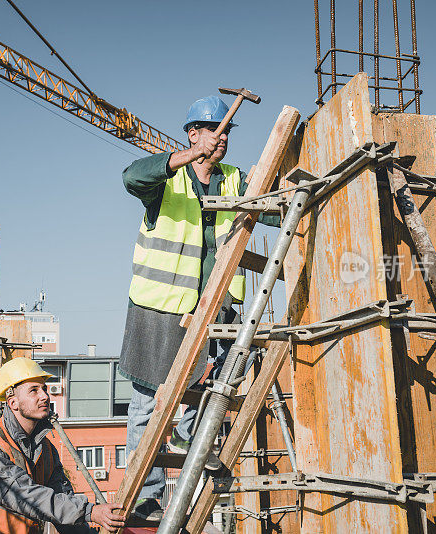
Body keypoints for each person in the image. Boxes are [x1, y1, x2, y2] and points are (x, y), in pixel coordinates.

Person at [118, 95, 280, 521]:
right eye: (213, 129)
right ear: (193, 134)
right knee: (148, 403)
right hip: (161, 309)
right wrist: (187, 157)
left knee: (220, 386)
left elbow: (272, 211)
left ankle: (193, 442)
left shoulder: (234, 180)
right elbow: (132, 177)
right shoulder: (167, 178)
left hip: (220, 308)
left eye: (225, 131)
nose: (221, 137)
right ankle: (146, 497)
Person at [0, 358, 126, 533]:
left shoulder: (47, 451)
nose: (44, 396)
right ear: (13, 402)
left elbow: (61, 504)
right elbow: (23, 495)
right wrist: (90, 511)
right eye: (34, 390)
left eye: (44, 389)